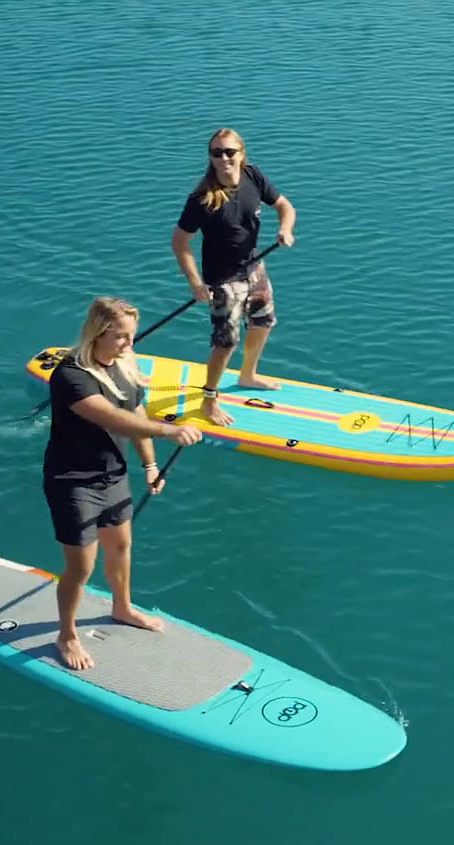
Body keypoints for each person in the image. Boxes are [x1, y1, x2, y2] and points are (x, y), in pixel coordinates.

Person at [43, 295, 203, 671]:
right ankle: (66, 634)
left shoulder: (124, 364)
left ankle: (122, 607)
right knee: (81, 568)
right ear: (97, 333)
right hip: (73, 482)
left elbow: (135, 411)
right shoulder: (71, 375)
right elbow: (111, 418)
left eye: (131, 335)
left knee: (120, 546)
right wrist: (169, 431)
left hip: (112, 475)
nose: (129, 343)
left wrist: (150, 464)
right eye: (121, 336)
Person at [170, 127, 296, 427]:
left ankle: (247, 375)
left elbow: (284, 206)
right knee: (225, 342)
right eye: (217, 153)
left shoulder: (253, 176)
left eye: (230, 152)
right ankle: (209, 400)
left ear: (241, 154)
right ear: (210, 157)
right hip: (223, 281)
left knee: (263, 322)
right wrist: (196, 283)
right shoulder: (202, 199)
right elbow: (179, 242)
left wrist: (285, 229)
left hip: (254, 267)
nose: (224, 158)